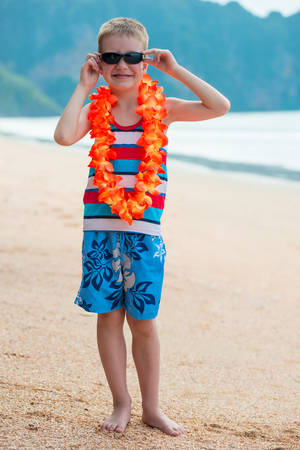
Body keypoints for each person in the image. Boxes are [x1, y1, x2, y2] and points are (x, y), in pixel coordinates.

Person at [54, 17, 230, 436]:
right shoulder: (97, 110)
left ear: (144, 62)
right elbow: (63, 136)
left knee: (144, 321)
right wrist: (83, 85)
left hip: (144, 234)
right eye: (111, 56)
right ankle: (122, 402)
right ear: (100, 61)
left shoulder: (163, 110)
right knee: (108, 317)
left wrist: (175, 69)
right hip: (98, 230)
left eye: (131, 57)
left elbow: (219, 106)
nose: (122, 65)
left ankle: (152, 406)